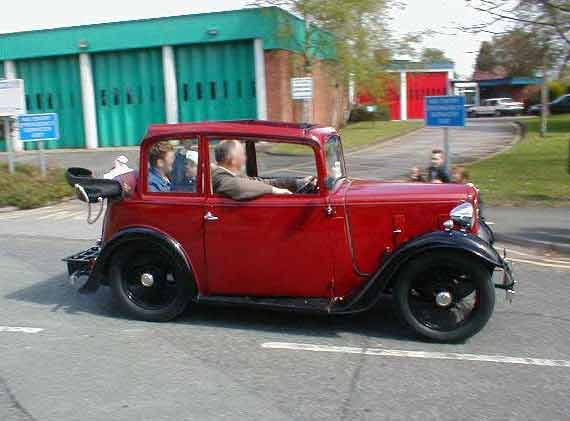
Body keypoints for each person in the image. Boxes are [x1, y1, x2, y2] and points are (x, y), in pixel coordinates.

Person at [212, 140, 308, 201]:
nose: (245, 158)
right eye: (242, 154)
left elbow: (257, 182)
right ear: (232, 160)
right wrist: (275, 191)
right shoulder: (220, 178)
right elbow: (238, 186)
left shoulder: (231, 175)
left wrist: (296, 183)